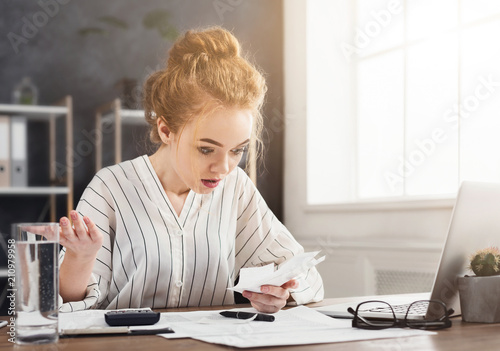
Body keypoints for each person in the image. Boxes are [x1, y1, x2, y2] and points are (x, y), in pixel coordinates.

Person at [58, 26, 324, 313]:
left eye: (237, 150)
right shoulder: (110, 187)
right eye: (206, 149)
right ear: (165, 130)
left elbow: (307, 277)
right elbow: (65, 307)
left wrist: (281, 292)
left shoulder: (235, 186)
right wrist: (79, 258)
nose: (223, 168)